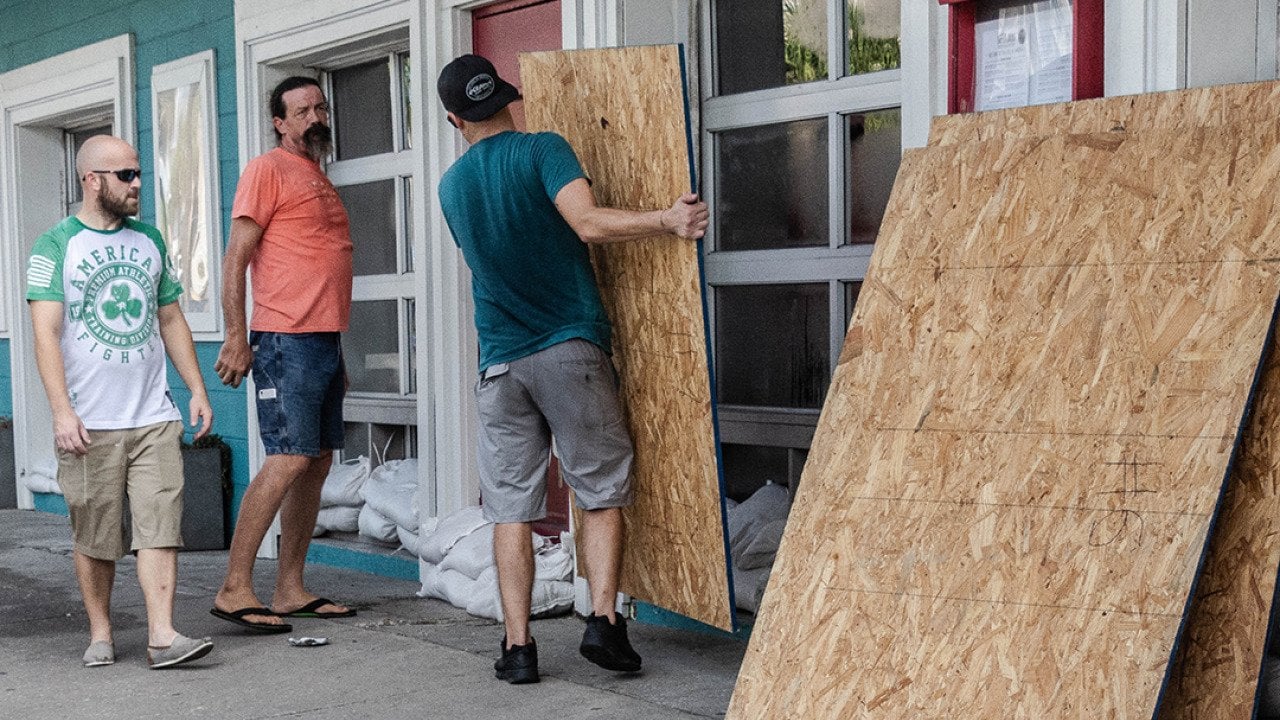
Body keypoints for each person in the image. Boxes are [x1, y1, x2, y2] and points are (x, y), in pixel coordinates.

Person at [435, 54, 709, 684]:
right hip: (568, 347)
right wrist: (667, 220)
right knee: (601, 489)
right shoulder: (542, 149)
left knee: (511, 509)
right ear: (508, 98)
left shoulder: (452, 186)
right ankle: (605, 624)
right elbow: (585, 223)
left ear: (455, 119)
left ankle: (518, 648)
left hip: (499, 362)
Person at [26, 135, 215, 669]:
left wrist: (196, 389)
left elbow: (171, 317)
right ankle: (101, 630)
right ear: (92, 180)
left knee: (161, 525)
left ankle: (162, 636)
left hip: (153, 415)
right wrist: (62, 411)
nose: (136, 186)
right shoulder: (55, 245)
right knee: (96, 535)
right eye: (125, 176)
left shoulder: (149, 239)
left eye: (138, 174)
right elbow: (46, 334)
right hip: (90, 422)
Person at [210, 76, 355, 633]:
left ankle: (290, 588)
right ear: (279, 121)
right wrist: (234, 337)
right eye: (301, 111)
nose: (314, 117)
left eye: (320, 107)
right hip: (284, 339)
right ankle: (233, 587)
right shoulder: (267, 168)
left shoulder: (316, 173)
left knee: (316, 461)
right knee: (289, 456)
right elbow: (235, 258)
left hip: (323, 337)